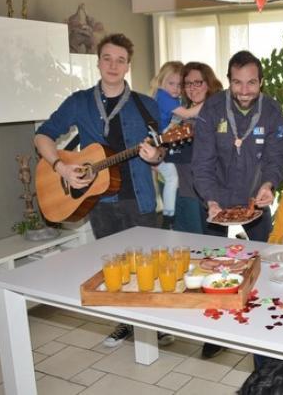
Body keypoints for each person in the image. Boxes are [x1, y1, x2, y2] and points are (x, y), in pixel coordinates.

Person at [34, 33, 174, 348]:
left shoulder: (146, 105)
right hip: (98, 199)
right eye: (107, 59)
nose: (113, 65)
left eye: (120, 60)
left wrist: (156, 155)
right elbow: (43, 135)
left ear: (128, 66)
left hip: (139, 198)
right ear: (98, 63)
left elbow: (161, 150)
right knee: (114, 268)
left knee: (146, 266)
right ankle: (125, 322)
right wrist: (61, 167)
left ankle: (153, 325)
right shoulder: (79, 102)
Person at [193, 50, 283, 241]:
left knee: (263, 256)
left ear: (261, 82)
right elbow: (202, 164)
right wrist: (211, 201)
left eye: (251, 83)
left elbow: (275, 158)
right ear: (229, 81)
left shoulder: (272, 112)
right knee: (214, 256)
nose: (244, 91)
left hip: (255, 204)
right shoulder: (212, 109)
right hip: (215, 204)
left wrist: (268, 185)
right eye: (237, 82)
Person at [167, 62, 223, 235]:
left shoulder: (217, 111)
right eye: (188, 83)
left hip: (207, 195)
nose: (192, 88)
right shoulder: (181, 114)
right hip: (182, 190)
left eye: (197, 82)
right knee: (186, 245)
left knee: (211, 246)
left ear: (209, 83)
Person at [150, 61, 184, 229]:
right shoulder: (164, 96)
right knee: (172, 178)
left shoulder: (170, 98)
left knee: (168, 177)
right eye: (171, 83)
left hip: (160, 140)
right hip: (154, 140)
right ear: (161, 81)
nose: (176, 89)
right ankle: (168, 216)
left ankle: (167, 214)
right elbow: (185, 114)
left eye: (179, 85)